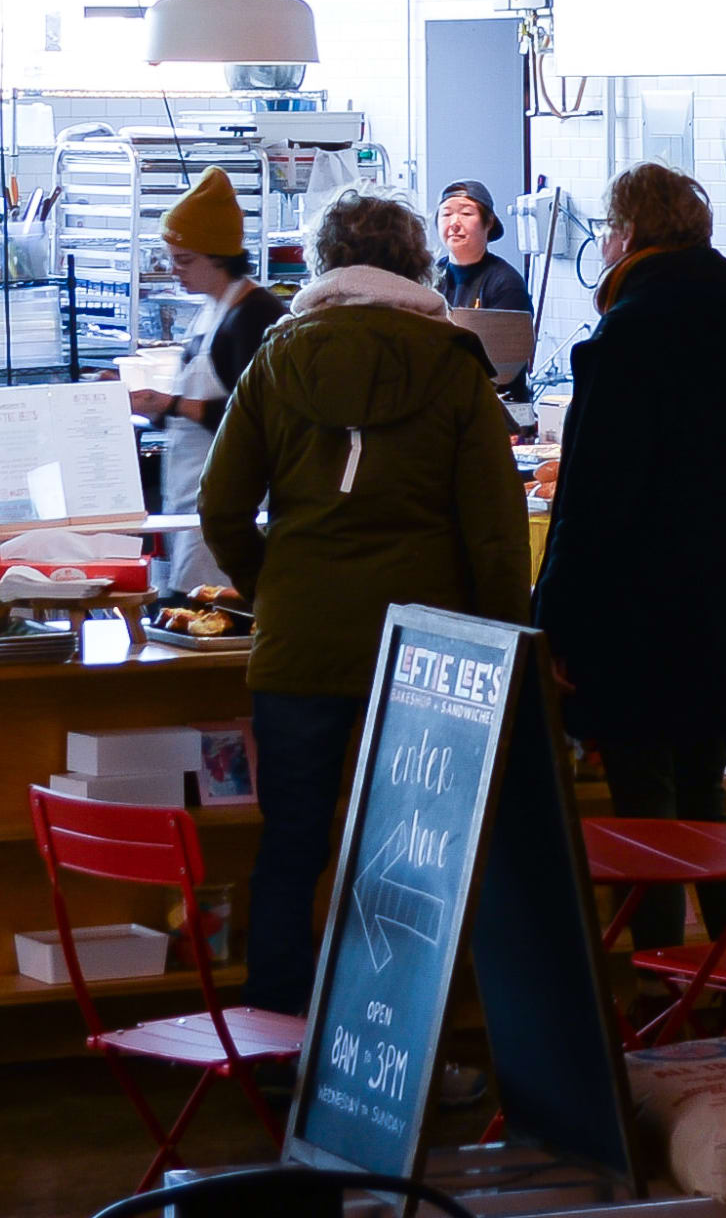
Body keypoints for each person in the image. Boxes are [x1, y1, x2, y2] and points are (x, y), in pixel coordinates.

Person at [198, 190, 532, 1016]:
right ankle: (394, 1055)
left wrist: (272, 585)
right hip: (429, 652)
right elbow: (495, 535)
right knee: (414, 854)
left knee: (292, 847)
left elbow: (220, 510)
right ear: (417, 264)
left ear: (322, 261)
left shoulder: (277, 359)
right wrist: (511, 654)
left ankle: (278, 1032)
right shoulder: (455, 367)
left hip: (301, 643)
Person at [534, 162, 726, 951]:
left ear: (628, 235)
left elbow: (593, 501)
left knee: (645, 811)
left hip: (637, 618)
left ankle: (657, 990)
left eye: (609, 231)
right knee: (706, 798)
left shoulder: (628, 335)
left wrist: (555, 620)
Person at [126, 166, 281, 535]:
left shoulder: (256, 316)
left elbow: (260, 420)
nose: (174, 271)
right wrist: (152, 407)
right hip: (194, 496)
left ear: (220, 255)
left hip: (237, 507)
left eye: (184, 260)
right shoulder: (210, 308)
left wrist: (169, 404)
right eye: (172, 259)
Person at [431, 180, 533, 314]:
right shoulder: (431, 276)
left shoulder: (505, 283)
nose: (454, 223)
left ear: (489, 222)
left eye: (466, 213)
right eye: (446, 214)